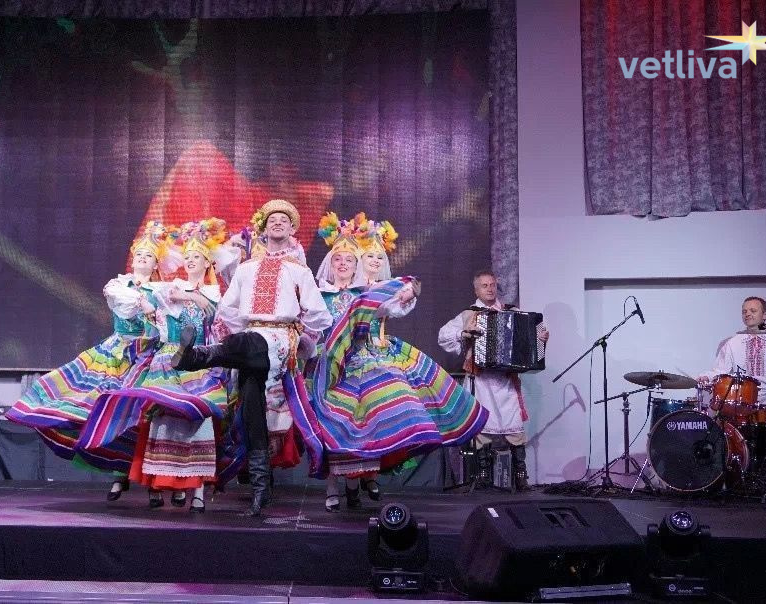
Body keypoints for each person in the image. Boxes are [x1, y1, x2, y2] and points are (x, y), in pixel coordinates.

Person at [312, 214, 488, 510]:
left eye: (349, 260)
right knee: (332, 423)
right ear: (330, 264)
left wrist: (407, 293)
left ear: (356, 266)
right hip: (332, 365)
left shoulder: (364, 295)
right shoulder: (320, 296)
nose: (343, 264)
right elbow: (311, 327)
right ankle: (333, 486)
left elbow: (389, 306)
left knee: (367, 421)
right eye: (338, 259)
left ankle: (359, 483)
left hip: (363, 362)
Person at [172, 199, 333, 516]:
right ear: (263, 228)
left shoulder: (299, 271)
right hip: (248, 345)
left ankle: (196, 357)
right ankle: (261, 492)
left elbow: (318, 314)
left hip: (279, 339)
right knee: (251, 413)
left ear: (292, 229)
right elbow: (228, 309)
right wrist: (236, 336)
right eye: (272, 219)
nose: (278, 223)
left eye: (284, 220)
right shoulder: (246, 269)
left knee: (252, 343)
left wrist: (303, 341)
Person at [4, 221, 169, 501]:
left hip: (147, 355)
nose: (142, 259)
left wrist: (155, 308)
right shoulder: (119, 285)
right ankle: (118, 474)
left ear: (156, 264)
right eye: (139, 254)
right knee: (109, 410)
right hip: (117, 353)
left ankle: (153, 483)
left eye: (148, 256)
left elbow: (163, 324)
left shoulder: (162, 291)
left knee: (145, 417)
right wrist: (145, 304)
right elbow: (124, 306)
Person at [79, 219, 232, 512]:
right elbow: (164, 305)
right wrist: (189, 296)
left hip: (200, 361)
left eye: (196, 257)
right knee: (161, 421)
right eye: (187, 257)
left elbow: (218, 322)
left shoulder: (215, 295)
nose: (190, 261)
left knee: (199, 420)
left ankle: (197, 490)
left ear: (207, 263)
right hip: (167, 359)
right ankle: (159, 483)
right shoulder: (171, 288)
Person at [438, 270, 548, 490]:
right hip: (481, 380)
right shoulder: (469, 314)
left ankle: (521, 476)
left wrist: (540, 338)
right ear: (476, 289)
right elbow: (443, 336)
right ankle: (483, 475)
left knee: (515, 428)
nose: (489, 289)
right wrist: (464, 334)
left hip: (506, 379)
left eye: (492, 285)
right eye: (484, 285)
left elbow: (533, 335)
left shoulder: (513, 312)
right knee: (482, 427)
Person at [698, 296, 766, 403]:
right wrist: (706, 377)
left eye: (753, 311)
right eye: (744, 311)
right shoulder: (732, 343)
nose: (747, 314)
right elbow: (721, 371)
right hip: (743, 401)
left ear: (765, 315)